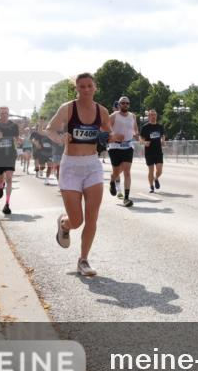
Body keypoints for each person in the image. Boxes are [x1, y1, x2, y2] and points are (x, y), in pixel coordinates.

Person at [45, 72, 112, 277]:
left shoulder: (101, 111)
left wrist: (106, 137)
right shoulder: (67, 108)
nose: (85, 89)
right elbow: (49, 129)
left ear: (95, 88)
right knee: (77, 220)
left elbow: (107, 131)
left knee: (92, 218)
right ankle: (64, 224)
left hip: (92, 166)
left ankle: (83, 260)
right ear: (77, 88)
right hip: (71, 167)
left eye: (89, 86)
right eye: (81, 86)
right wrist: (59, 137)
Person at [108, 96, 139, 207]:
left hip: (128, 147)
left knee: (127, 171)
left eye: (127, 103)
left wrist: (136, 135)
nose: (125, 105)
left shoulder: (132, 116)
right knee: (116, 172)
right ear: (119, 105)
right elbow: (105, 128)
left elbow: (135, 129)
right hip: (115, 147)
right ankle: (112, 181)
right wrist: (114, 136)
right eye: (122, 103)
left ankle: (126, 198)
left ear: (129, 104)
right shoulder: (113, 116)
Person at [140, 109, 166, 192]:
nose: (153, 116)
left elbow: (163, 135)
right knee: (151, 170)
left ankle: (156, 178)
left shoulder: (160, 126)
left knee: (160, 170)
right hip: (149, 151)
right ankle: (151, 186)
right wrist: (144, 142)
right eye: (151, 115)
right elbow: (141, 139)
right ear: (148, 116)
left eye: (154, 115)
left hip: (158, 151)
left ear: (156, 116)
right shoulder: (145, 127)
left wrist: (163, 140)